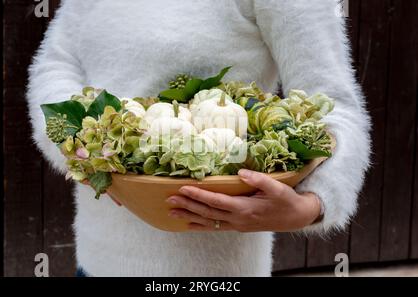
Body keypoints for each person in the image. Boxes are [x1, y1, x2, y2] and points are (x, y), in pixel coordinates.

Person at [27, 0, 371, 276]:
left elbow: (334, 105)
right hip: (96, 260)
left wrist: (310, 207)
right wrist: (77, 145)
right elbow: (58, 62)